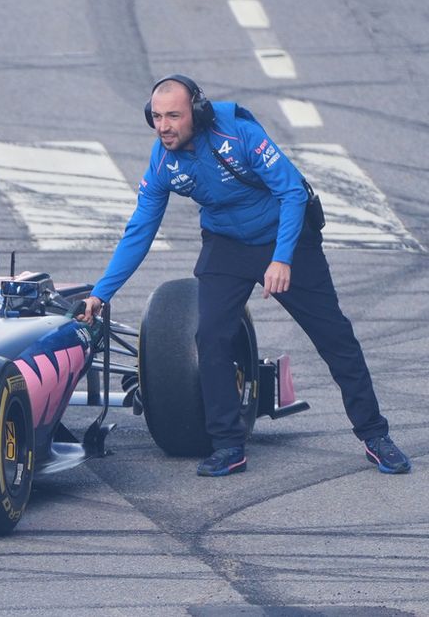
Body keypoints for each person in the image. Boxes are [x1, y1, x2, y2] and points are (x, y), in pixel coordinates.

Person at [78, 74, 411, 477]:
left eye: (173, 116)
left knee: (335, 337)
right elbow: (140, 230)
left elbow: (292, 192)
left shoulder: (239, 134)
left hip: (286, 237)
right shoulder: (162, 161)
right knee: (210, 336)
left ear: (197, 112)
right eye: (157, 117)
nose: (163, 127)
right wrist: (102, 292)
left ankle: (375, 435)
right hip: (227, 244)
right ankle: (228, 445)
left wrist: (282, 259)